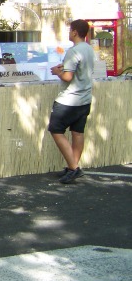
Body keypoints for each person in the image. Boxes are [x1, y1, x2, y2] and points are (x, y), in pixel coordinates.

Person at [48, 19, 95, 184]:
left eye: (70, 30)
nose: (69, 32)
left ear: (75, 32)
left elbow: (68, 76)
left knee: (55, 129)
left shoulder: (73, 51)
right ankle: (72, 167)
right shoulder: (88, 49)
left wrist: (56, 72)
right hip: (85, 98)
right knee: (77, 132)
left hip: (69, 100)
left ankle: (74, 168)